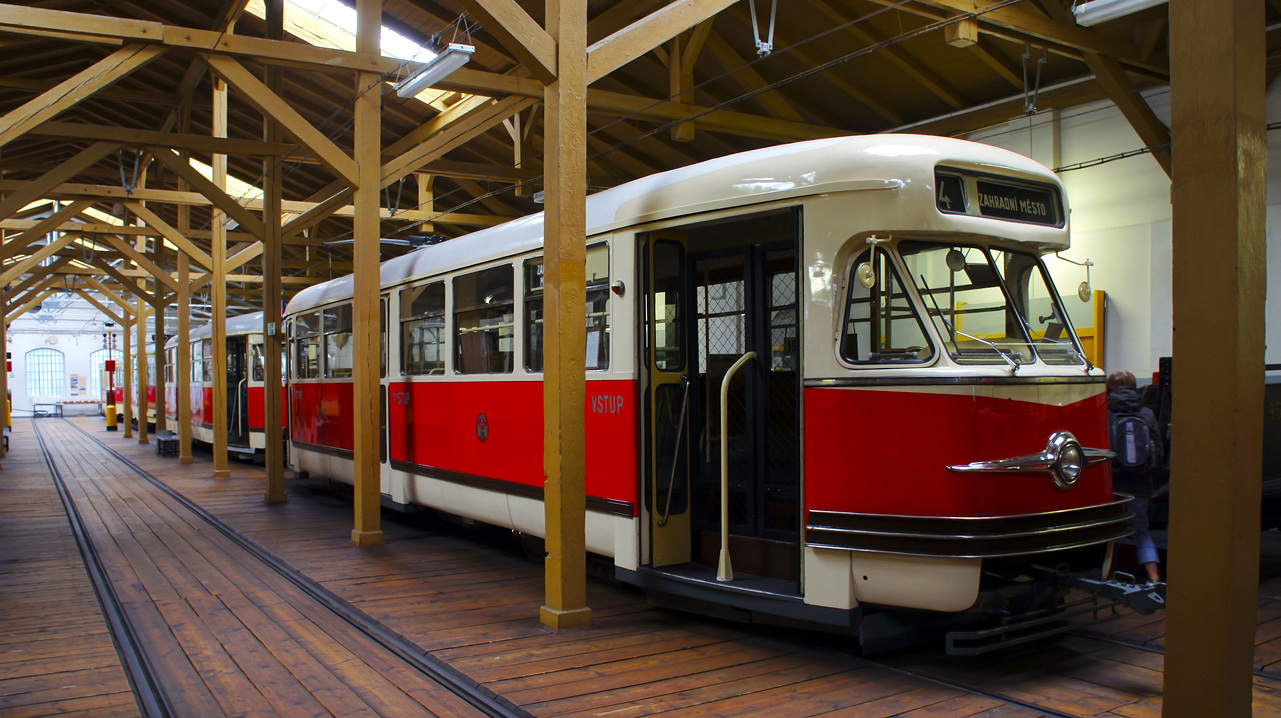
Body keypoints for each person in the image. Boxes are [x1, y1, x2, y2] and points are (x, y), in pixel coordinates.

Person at [1107, 370, 1164, 583]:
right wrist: (1153, 485)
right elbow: (1157, 451)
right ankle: (1153, 575)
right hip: (1140, 482)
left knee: (1112, 529)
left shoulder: (1105, 412)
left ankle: (1110, 573)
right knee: (1141, 530)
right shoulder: (1147, 413)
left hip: (1113, 481)